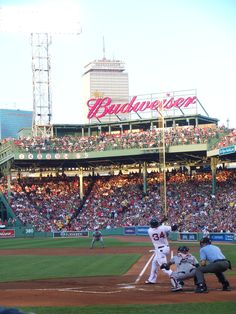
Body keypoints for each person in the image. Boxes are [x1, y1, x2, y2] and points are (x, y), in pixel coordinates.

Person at [145, 217, 178, 284]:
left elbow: (156, 225)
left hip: (160, 250)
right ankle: (152, 280)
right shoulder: (163, 228)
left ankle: (177, 278)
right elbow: (174, 228)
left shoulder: (149, 231)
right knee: (154, 262)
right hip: (164, 248)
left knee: (164, 267)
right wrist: (177, 224)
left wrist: (162, 220)